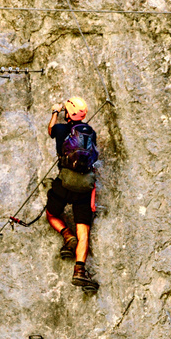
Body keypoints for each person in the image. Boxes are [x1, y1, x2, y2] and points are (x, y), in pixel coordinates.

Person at [46, 98, 100, 292]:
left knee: (51, 214)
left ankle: (67, 235)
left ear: (67, 114)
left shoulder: (61, 130)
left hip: (65, 183)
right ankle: (79, 270)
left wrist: (54, 112)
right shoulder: (90, 133)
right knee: (83, 232)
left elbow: (51, 130)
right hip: (85, 187)